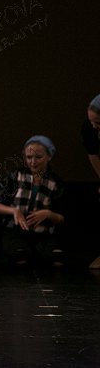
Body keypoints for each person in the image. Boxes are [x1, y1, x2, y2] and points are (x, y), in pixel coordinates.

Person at [0, 136, 65, 267]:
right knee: (20, 257)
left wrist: (48, 214)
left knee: (56, 259)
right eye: (29, 157)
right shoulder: (15, 176)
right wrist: (14, 211)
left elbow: (61, 218)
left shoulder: (55, 182)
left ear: (49, 156)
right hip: (15, 231)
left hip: (43, 234)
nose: (33, 162)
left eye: (38, 157)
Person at [82, 94, 100, 269]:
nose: (94, 126)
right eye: (92, 122)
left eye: (98, 123)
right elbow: (93, 154)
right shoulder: (89, 128)